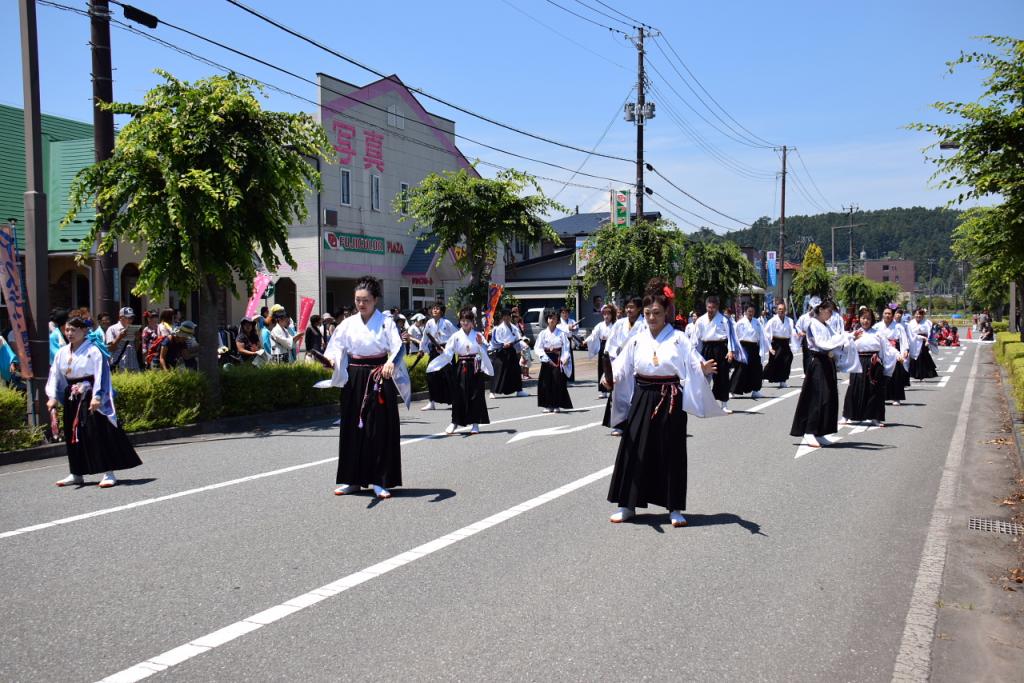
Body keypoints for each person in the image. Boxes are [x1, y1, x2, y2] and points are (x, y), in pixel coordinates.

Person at [604, 278, 722, 526]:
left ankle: (674, 507)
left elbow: (693, 362)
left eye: (656, 313)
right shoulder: (637, 339)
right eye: (647, 313)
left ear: (666, 312)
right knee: (634, 448)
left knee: (671, 453)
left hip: (671, 398)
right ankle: (628, 504)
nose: (651, 317)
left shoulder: (679, 338)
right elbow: (622, 367)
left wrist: (703, 368)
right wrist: (610, 379)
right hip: (643, 396)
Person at [323, 275, 409, 499]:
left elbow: (398, 348)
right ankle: (352, 479)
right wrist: (331, 361)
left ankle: (380, 479)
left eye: (366, 300)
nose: (361, 304)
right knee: (352, 428)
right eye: (357, 300)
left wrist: (390, 363)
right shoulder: (348, 323)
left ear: (375, 300)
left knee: (378, 429)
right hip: (354, 378)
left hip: (379, 375)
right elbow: (335, 348)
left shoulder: (386, 322)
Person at [46, 312, 142, 488]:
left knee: (97, 433)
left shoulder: (93, 350)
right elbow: (55, 375)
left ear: (84, 330)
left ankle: (108, 472)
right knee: (73, 435)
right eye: (67, 330)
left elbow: (101, 374)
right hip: (72, 397)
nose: (69, 333)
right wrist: (52, 396)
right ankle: (76, 472)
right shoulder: (62, 352)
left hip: (91, 395)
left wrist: (98, 396)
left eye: (73, 330)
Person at [790, 301, 851, 448]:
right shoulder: (812, 324)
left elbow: (836, 338)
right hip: (817, 362)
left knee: (829, 397)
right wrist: (842, 338)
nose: (830, 315)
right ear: (821, 309)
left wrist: (851, 336)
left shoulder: (826, 325)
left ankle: (821, 431)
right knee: (817, 397)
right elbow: (822, 343)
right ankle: (809, 431)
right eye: (829, 311)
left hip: (827, 361)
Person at [428, 308, 494, 435]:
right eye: (463, 320)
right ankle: (455, 422)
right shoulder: (456, 336)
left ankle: (475, 423)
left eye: (467, 321)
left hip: (475, 366)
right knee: (458, 395)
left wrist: (481, 345)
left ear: (472, 322)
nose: (465, 323)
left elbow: (486, 350)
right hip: (461, 366)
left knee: (475, 395)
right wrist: (443, 352)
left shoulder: (477, 335)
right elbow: (449, 352)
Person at [842, 308, 898, 427]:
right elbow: (845, 346)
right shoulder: (855, 333)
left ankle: (875, 417)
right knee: (854, 388)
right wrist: (852, 338)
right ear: (859, 319)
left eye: (868, 318)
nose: (865, 321)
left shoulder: (878, 333)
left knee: (875, 390)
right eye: (863, 318)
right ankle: (846, 415)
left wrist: (898, 355)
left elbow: (887, 349)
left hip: (874, 362)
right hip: (858, 362)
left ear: (872, 320)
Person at [605, 297, 646, 435]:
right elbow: (611, 343)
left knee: (636, 393)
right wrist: (610, 360)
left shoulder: (644, 324)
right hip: (620, 362)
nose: (629, 310)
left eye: (632, 307)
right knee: (619, 394)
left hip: (637, 362)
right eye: (627, 307)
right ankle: (619, 424)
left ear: (639, 309)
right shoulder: (619, 323)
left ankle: (636, 423)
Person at [693, 295, 739, 413]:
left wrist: (730, 351)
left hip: (720, 348)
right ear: (706, 306)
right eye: (709, 307)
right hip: (706, 348)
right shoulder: (700, 320)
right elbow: (695, 340)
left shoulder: (724, 320)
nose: (710, 310)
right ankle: (703, 403)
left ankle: (724, 404)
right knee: (704, 377)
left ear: (717, 307)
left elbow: (730, 337)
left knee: (722, 376)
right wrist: (693, 354)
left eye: (713, 307)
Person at [418, 303, 457, 410]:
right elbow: (425, 337)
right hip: (435, 351)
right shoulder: (429, 323)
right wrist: (421, 349)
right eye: (433, 308)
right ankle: (432, 401)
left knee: (449, 376)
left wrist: (448, 347)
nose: (435, 310)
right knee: (431, 374)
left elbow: (456, 335)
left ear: (442, 312)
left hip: (446, 351)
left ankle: (454, 401)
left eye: (437, 308)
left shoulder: (447, 322)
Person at [535, 311, 573, 413]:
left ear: (557, 320)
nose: (552, 320)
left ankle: (556, 405)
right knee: (545, 383)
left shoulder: (561, 333)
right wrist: (543, 356)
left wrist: (565, 358)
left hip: (557, 359)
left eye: (554, 318)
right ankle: (547, 405)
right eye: (550, 318)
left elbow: (566, 348)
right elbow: (538, 348)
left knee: (557, 382)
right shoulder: (543, 333)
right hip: (546, 359)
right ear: (547, 320)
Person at [730, 304, 768, 399]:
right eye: (749, 311)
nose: (751, 313)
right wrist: (734, 350)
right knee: (741, 369)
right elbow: (735, 337)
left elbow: (762, 335)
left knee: (756, 368)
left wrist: (764, 347)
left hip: (754, 347)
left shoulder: (757, 322)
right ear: (745, 312)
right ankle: (732, 390)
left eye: (752, 312)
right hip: (743, 347)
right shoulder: (740, 322)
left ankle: (755, 390)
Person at [488, 309, 529, 398]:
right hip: (501, 351)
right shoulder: (498, 328)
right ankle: (492, 391)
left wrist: (524, 344)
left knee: (516, 370)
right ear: (502, 317)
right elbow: (495, 340)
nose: (507, 317)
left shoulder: (514, 327)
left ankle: (519, 390)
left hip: (511, 350)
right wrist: (503, 344)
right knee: (499, 371)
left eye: (508, 316)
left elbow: (518, 338)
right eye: (505, 316)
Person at [874, 307, 910, 405]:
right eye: (885, 313)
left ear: (892, 315)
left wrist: (905, 350)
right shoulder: (877, 326)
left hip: (894, 353)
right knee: (881, 375)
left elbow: (903, 339)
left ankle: (896, 397)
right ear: (882, 314)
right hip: (882, 352)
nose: (887, 315)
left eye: (889, 313)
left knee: (896, 375)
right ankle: (881, 396)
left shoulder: (898, 327)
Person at [583, 304, 616, 399]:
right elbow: (593, 335)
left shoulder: (615, 325)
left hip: (612, 347)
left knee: (612, 368)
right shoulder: (600, 325)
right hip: (603, 346)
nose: (606, 316)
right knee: (602, 368)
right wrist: (586, 340)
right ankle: (603, 390)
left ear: (611, 315)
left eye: (608, 314)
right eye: (604, 314)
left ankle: (612, 388)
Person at [762, 302, 796, 388]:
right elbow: (766, 334)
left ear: (785, 310)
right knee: (774, 361)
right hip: (776, 343)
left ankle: (783, 380)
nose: (781, 311)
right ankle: (762, 376)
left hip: (785, 343)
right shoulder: (772, 321)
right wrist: (769, 347)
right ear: (777, 310)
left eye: (783, 309)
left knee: (787, 360)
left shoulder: (790, 320)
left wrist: (796, 334)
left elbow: (792, 331)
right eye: (779, 309)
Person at [105, 307, 140, 372]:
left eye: (132, 318)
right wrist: (119, 337)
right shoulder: (112, 329)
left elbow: (136, 349)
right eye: (128, 317)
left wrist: (138, 339)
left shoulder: (132, 329)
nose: (130, 320)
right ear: (120, 317)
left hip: (133, 365)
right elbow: (110, 349)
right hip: (120, 365)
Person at [908, 308, 939, 381]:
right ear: (914, 315)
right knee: (914, 356)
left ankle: (923, 374)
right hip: (914, 340)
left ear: (922, 315)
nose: (918, 316)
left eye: (920, 314)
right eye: (916, 314)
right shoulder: (911, 323)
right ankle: (916, 374)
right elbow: (910, 333)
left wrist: (928, 340)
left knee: (922, 355)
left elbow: (930, 332)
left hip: (924, 341)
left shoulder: (927, 322)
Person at [557, 308, 579, 382]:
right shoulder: (558, 321)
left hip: (568, 341)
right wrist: (568, 328)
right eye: (563, 312)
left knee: (569, 358)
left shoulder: (572, 321)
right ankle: (562, 376)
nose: (565, 314)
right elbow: (559, 328)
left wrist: (574, 329)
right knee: (562, 358)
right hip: (561, 342)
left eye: (566, 312)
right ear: (560, 313)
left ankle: (570, 377)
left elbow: (576, 329)